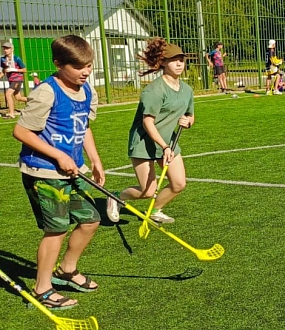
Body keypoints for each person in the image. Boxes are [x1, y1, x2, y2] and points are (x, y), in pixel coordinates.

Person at [12, 35, 104, 310]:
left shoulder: (88, 90)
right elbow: (21, 131)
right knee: (57, 229)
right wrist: (58, 155)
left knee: (90, 220)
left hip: (74, 170)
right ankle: (42, 288)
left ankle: (67, 270)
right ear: (59, 64)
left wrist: (95, 160)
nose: (85, 71)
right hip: (43, 172)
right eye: (78, 67)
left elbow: (84, 126)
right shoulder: (46, 92)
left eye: (88, 65)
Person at [106, 38, 195, 224]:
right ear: (163, 62)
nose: (179, 63)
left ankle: (156, 210)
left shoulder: (186, 90)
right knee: (147, 191)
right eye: (173, 60)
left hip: (168, 143)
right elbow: (148, 123)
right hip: (144, 143)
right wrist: (164, 146)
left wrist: (188, 121)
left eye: (181, 59)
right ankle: (116, 197)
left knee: (179, 184)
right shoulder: (154, 91)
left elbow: (190, 116)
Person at [2, 41, 28, 119]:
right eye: (4, 48)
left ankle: (11, 113)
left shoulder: (17, 58)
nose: (5, 50)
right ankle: (34, 100)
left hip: (17, 79)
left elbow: (24, 70)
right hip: (10, 80)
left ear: (12, 49)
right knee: (18, 97)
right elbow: (4, 70)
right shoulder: (2, 59)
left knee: (8, 94)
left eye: (7, 48)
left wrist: (14, 70)